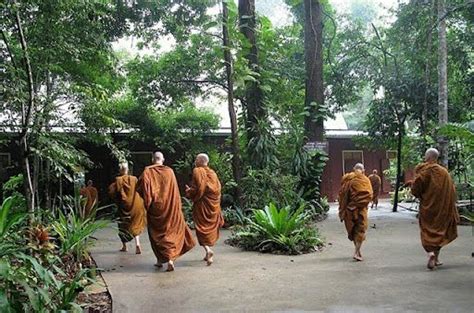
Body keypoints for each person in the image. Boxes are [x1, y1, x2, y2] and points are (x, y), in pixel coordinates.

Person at [138, 151, 196, 271]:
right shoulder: (169, 171)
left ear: (153, 159)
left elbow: (141, 188)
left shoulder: (147, 171)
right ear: (163, 159)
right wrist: (177, 207)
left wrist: (148, 203)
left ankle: (160, 260)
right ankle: (169, 260)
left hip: (155, 208)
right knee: (170, 232)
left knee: (156, 234)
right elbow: (174, 191)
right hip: (169, 207)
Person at [411, 148, 459, 270]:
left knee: (427, 231)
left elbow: (416, 189)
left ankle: (431, 254)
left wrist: (415, 189)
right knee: (440, 232)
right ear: (436, 158)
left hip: (428, 208)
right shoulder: (444, 172)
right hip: (442, 209)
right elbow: (452, 191)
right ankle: (436, 258)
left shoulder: (424, 171)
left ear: (427, 158)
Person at [185, 153, 224, 266]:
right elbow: (217, 190)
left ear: (200, 161)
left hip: (202, 205)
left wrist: (189, 191)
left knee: (201, 228)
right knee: (208, 229)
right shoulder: (213, 174)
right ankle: (208, 253)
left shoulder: (198, 171)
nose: (195, 161)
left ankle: (208, 250)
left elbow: (197, 189)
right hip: (212, 205)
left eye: (196, 159)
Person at [108, 162, 147, 254]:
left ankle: (124, 246)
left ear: (120, 170)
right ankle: (137, 244)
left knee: (123, 226)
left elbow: (112, 192)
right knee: (136, 224)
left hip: (123, 208)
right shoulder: (134, 179)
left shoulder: (118, 180)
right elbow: (140, 189)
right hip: (135, 206)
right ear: (128, 170)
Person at [338, 163, 373, 261]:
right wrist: (357, 204)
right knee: (360, 230)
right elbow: (369, 195)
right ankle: (356, 252)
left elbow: (341, 195)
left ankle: (357, 252)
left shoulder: (346, 179)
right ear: (363, 170)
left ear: (354, 169)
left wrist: (344, 207)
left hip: (349, 210)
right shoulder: (365, 180)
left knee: (353, 230)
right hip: (360, 210)